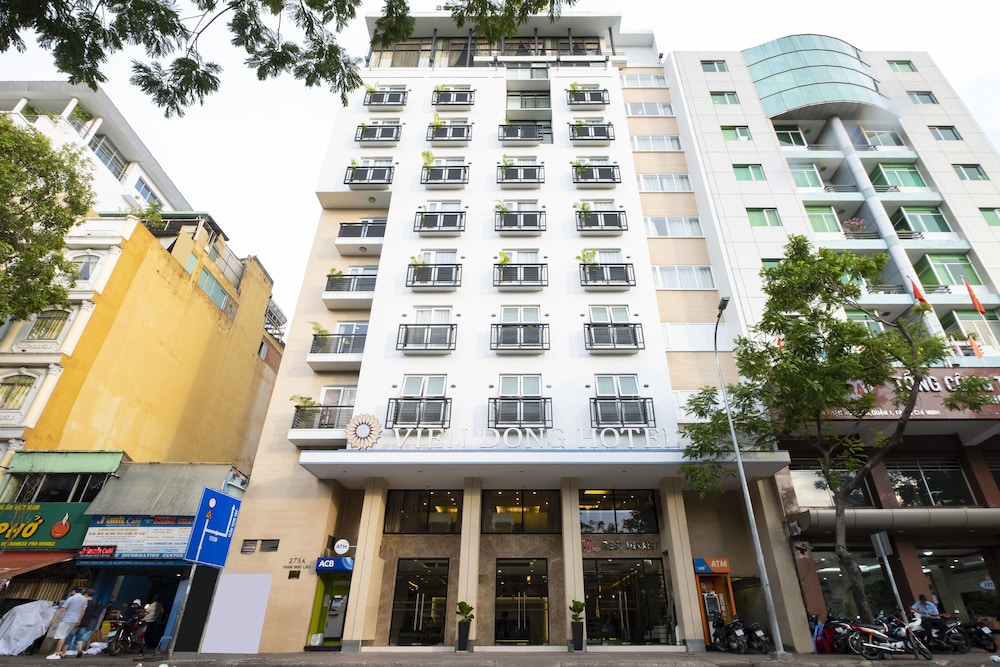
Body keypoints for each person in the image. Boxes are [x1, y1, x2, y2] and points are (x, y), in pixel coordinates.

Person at [46, 587, 88, 659]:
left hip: (67, 619)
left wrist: (54, 619)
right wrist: (79, 620)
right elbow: (83, 610)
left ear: (74, 591)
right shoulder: (84, 599)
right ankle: (58, 653)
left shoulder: (71, 598)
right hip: (74, 620)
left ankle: (57, 653)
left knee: (61, 636)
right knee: (64, 636)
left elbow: (62, 609)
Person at [64, 589, 101, 658]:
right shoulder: (94, 603)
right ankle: (80, 650)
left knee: (70, 636)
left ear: (86, 594)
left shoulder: (84, 602)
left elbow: (81, 611)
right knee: (79, 637)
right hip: (86, 622)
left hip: (78, 621)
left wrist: (78, 620)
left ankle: (63, 652)